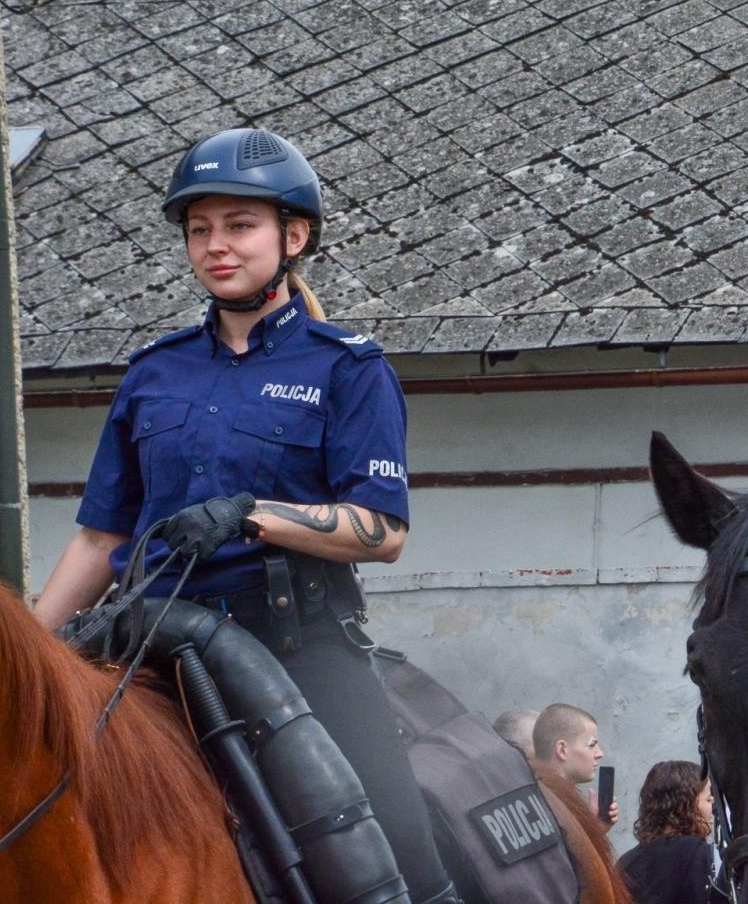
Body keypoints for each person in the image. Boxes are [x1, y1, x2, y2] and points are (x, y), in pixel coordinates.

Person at [32, 127, 457, 904]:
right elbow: (102, 535)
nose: (215, 246)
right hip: (151, 644)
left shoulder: (347, 368)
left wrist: (251, 515)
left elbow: (383, 531)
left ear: (293, 236)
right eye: (200, 230)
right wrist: (32, 648)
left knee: (398, 832)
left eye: (239, 226)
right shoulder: (154, 373)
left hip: (294, 642)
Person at [617, 761, 715, 904]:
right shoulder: (695, 851)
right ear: (683, 805)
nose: (714, 808)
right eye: (708, 799)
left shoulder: (626, 862)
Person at [533, 702, 618, 825]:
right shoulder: (547, 807)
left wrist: (597, 829)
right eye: (592, 745)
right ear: (562, 750)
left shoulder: (540, 797)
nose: (600, 753)